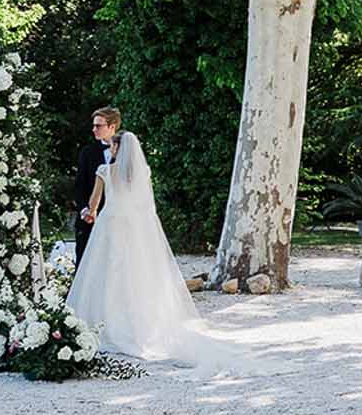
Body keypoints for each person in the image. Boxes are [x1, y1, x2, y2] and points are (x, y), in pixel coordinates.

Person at [66, 108, 242, 367]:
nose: (98, 134)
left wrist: (88, 213)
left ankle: (105, 323)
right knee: (132, 274)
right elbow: (148, 207)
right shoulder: (142, 173)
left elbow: (92, 206)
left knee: (105, 273)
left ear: (116, 140)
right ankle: (137, 323)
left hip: (110, 226)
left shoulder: (104, 171)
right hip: (133, 228)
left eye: (100, 127)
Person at [73, 114, 115, 265]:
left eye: (98, 126)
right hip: (90, 219)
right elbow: (79, 185)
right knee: (85, 264)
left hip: (117, 220)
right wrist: (85, 210)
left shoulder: (127, 153)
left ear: (112, 126)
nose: (94, 129)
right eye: (94, 125)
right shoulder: (87, 152)